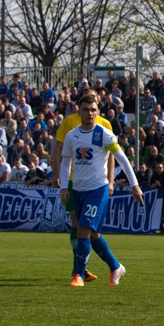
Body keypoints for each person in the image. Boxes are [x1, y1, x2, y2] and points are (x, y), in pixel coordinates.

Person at [59, 93, 143, 287]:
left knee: (82, 229)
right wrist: (64, 187)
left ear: (98, 112)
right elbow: (65, 163)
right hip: (78, 190)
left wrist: (134, 185)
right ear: (79, 111)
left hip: (98, 189)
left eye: (93, 110)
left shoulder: (103, 134)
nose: (90, 113)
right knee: (92, 235)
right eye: (86, 110)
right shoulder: (72, 136)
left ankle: (78, 275)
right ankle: (115, 266)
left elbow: (122, 159)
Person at [52, 88, 115, 284]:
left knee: (85, 228)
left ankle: (78, 270)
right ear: (79, 107)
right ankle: (93, 267)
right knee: (79, 225)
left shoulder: (104, 125)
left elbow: (113, 154)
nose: (90, 109)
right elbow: (60, 150)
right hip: (73, 181)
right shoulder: (70, 123)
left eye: (94, 102)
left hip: (96, 183)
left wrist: (111, 179)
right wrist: (58, 177)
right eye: (86, 104)